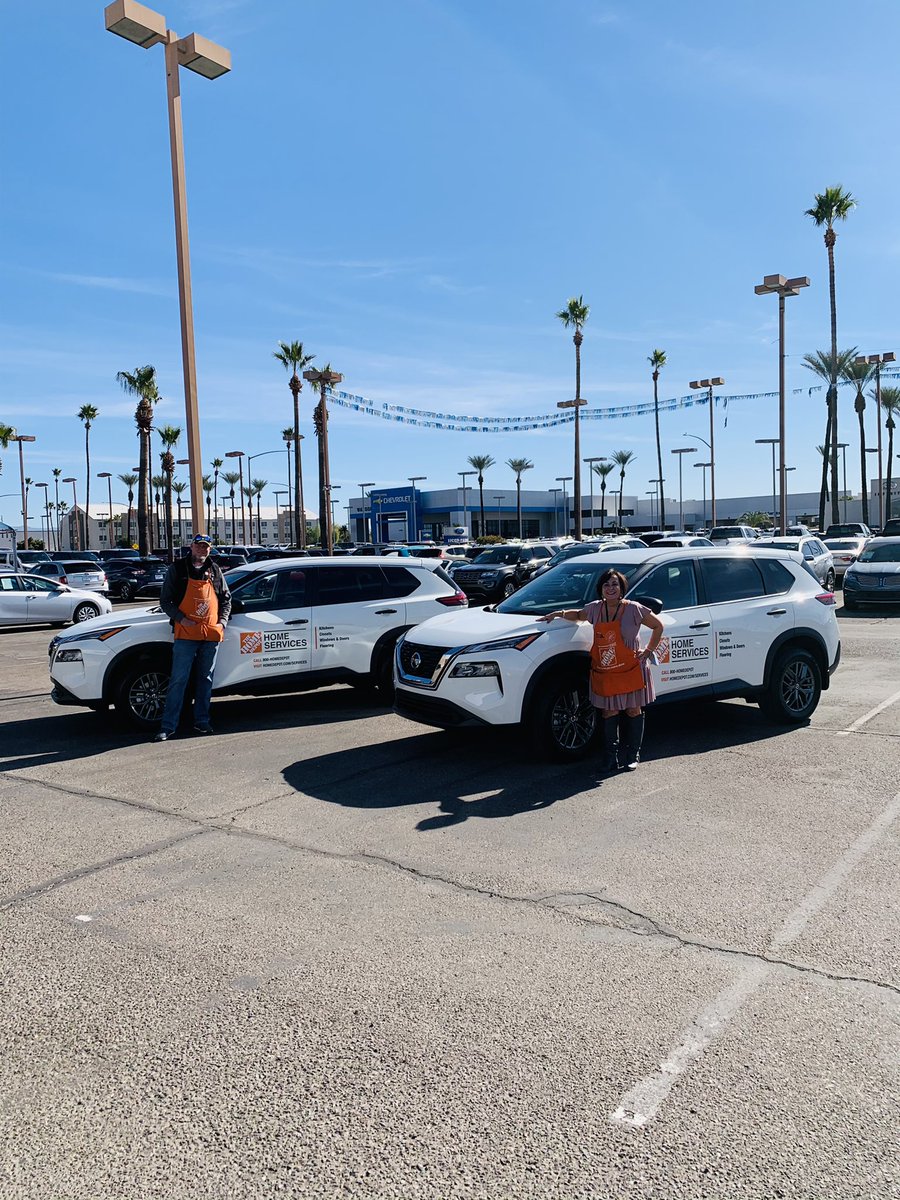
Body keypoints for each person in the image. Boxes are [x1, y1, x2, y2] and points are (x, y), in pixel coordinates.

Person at [538, 567, 663, 771]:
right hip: (606, 670)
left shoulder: (634, 608)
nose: (610, 588)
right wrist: (558, 614)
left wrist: (649, 651)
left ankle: (633, 754)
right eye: (606, 584)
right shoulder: (596, 608)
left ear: (622, 588)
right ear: (601, 589)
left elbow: (658, 626)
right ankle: (610, 758)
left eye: (615, 584)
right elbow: (579, 614)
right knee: (609, 712)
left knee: (633, 710)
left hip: (631, 668)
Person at [155, 534, 232, 742]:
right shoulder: (178, 569)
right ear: (192, 547)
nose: (202, 550)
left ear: (210, 549)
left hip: (210, 635)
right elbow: (166, 601)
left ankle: (202, 721)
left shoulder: (215, 570)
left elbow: (226, 599)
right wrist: (181, 618)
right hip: (185, 635)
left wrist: (222, 623)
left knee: (205, 679)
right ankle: (168, 726)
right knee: (178, 680)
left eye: (206, 546)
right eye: (199, 546)